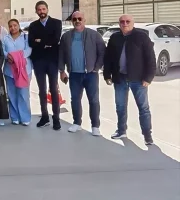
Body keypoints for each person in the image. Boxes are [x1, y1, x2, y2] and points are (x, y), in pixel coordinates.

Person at [104, 14, 156, 145]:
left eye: (128, 21)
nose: (125, 23)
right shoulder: (114, 37)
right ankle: (121, 130)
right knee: (120, 107)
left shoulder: (142, 37)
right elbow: (108, 57)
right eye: (122, 21)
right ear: (119, 23)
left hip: (138, 79)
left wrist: (148, 78)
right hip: (119, 78)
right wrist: (107, 75)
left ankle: (147, 135)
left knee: (143, 108)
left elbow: (150, 58)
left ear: (133, 23)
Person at [59, 11, 106, 136]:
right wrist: (62, 71)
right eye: (74, 19)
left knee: (93, 100)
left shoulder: (94, 35)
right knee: (75, 99)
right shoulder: (66, 36)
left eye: (80, 18)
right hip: (74, 74)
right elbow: (61, 54)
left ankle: (95, 126)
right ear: (72, 21)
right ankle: (77, 123)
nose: (77, 21)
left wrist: (96, 68)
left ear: (84, 20)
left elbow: (102, 52)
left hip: (90, 74)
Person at [28, 1, 63, 130]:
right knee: (41, 90)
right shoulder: (33, 25)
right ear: (36, 11)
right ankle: (44, 116)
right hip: (39, 61)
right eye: (39, 9)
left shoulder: (56, 23)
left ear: (47, 9)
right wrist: (46, 42)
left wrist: (40, 41)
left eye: (43, 9)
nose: (41, 11)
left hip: (52, 61)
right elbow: (31, 42)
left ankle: (56, 118)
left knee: (53, 89)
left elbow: (55, 40)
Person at [3, 19, 32, 126]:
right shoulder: (5, 38)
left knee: (23, 94)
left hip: (24, 70)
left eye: (15, 25)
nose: (13, 28)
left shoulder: (25, 37)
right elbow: (3, 51)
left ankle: (25, 117)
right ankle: (14, 117)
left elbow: (28, 50)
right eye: (10, 26)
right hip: (9, 70)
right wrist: (8, 56)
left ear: (19, 25)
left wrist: (16, 57)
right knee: (11, 94)